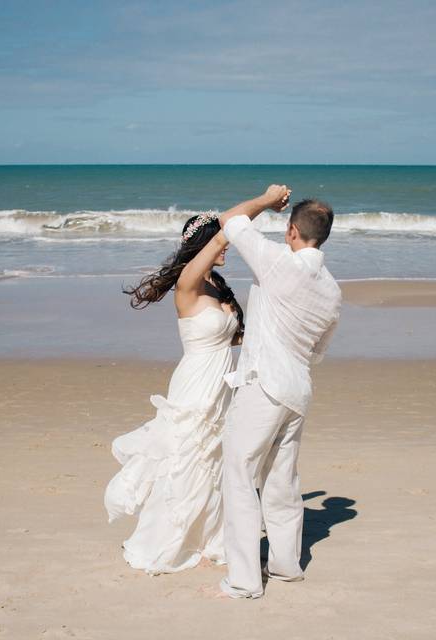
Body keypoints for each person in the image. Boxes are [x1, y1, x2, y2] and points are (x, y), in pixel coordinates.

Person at [216, 185, 342, 598]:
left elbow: (230, 222)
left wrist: (265, 200)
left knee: (238, 474)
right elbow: (319, 351)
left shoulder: (276, 263)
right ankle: (286, 566)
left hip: (265, 386)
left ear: (292, 231)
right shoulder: (332, 290)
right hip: (298, 389)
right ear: (322, 236)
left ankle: (246, 580)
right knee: (282, 481)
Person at [103, 213, 245, 574]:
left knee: (213, 463)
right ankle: (167, 540)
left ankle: (209, 538)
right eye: (218, 241)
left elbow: (235, 338)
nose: (226, 245)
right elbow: (221, 234)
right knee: (186, 460)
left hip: (221, 386)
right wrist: (264, 201)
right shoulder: (188, 283)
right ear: (204, 244)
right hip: (195, 384)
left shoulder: (218, 285)